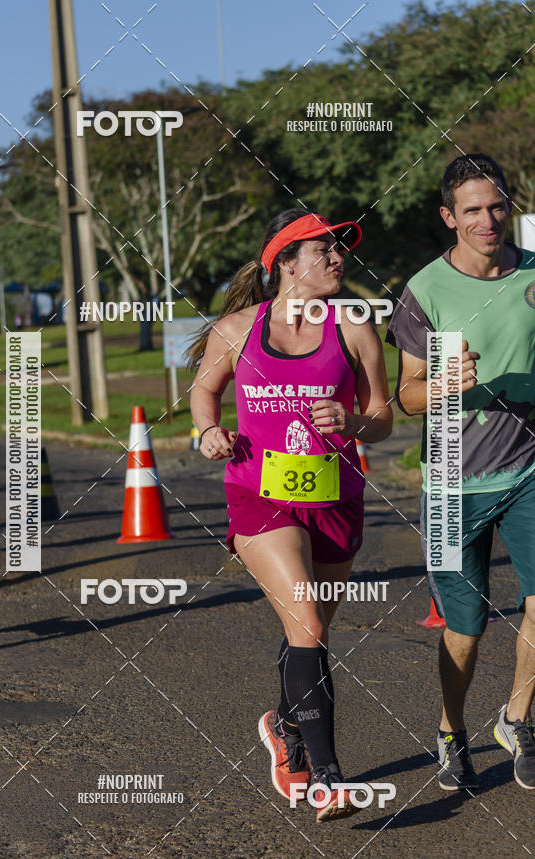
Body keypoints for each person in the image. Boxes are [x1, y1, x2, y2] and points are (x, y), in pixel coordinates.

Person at [189, 209, 392, 821]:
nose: (337, 260)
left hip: (336, 497)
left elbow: (382, 416)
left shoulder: (353, 327)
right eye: (323, 251)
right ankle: (329, 777)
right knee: (307, 623)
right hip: (260, 495)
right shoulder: (237, 329)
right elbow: (204, 389)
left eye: (337, 250)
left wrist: (352, 423)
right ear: (285, 264)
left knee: (311, 631)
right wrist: (207, 432)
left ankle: (284, 724)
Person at [386, 153, 535, 792]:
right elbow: (405, 397)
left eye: (496, 206)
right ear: (450, 217)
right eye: (471, 210)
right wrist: (443, 381)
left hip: (529, 467)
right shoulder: (424, 292)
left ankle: (517, 717)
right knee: (465, 628)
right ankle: (451, 728)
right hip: (452, 479)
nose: (487, 219)